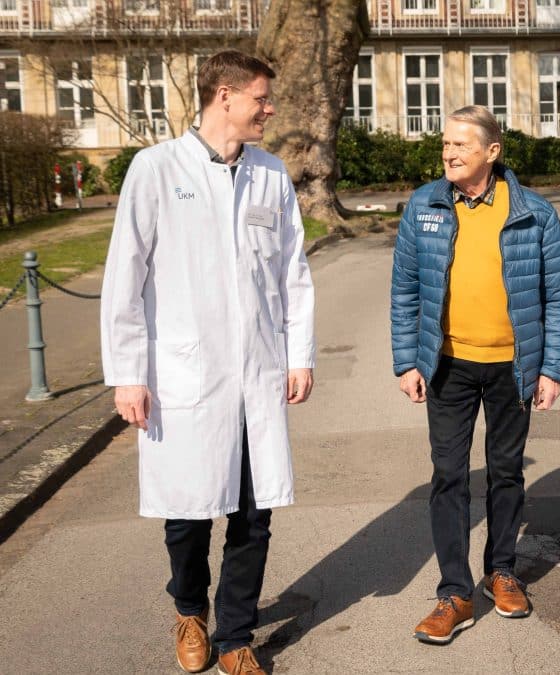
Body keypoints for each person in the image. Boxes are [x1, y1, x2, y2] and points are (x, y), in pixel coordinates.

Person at [100, 50, 315, 675]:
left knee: (254, 513)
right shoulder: (156, 170)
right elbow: (125, 277)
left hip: (257, 373)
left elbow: (292, 273)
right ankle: (190, 610)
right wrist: (128, 374)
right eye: (260, 98)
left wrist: (298, 354)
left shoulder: (271, 175)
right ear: (224, 95)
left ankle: (236, 635)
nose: (269, 109)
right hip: (184, 374)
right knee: (189, 512)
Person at [390, 105, 560, 644]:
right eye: (445, 145)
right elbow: (404, 289)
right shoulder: (424, 205)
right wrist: (407, 360)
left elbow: (558, 299)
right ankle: (454, 592)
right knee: (448, 475)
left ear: (492, 152)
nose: (448, 154)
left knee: (505, 471)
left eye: (460, 146)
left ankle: (502, 571)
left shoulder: (533, 213)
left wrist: (552, 368)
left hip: (512, 367)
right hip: (447, 364)